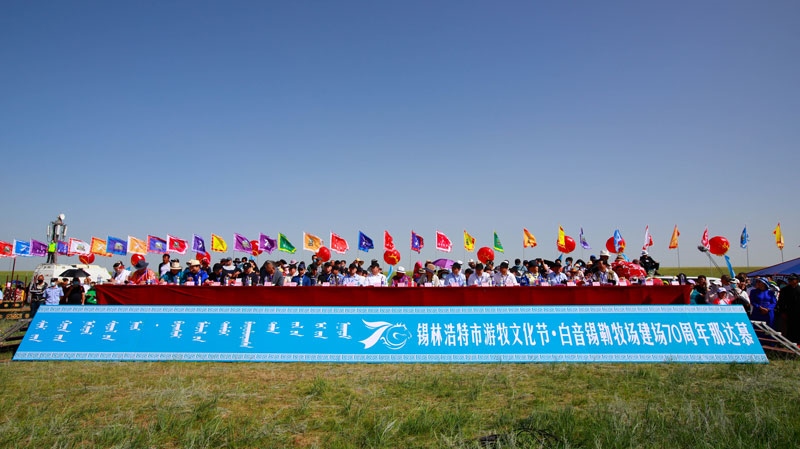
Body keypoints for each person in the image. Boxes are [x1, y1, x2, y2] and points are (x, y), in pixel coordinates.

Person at [777, 274, 800, 343]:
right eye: (789, 279)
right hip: (788, 313)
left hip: (798, 313)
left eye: (792, 279)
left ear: (797, 281)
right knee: (789, 329)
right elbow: (781, 302)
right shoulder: (785, 290)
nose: (790, 281)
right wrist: (783, 312)